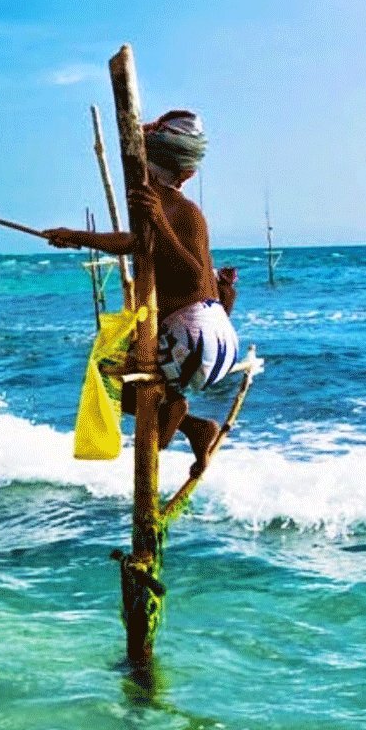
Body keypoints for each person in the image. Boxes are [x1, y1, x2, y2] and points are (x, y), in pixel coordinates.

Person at [45, 110, 239, 474]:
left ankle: (176, 410)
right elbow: (133, 243)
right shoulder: (170, 206)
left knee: (114, 376)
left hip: (192, 337)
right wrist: (75, 236)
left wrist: (158, 222)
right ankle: (196, 428)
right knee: (124, 378)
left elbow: (193, 275)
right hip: (213, 338)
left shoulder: (178, 211)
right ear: (188, 174)